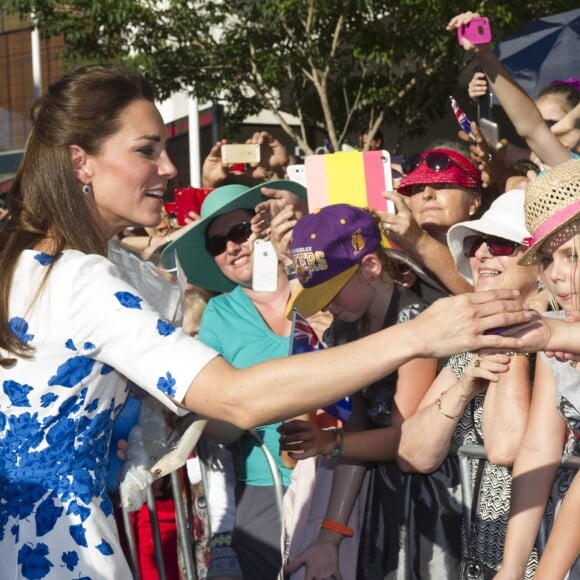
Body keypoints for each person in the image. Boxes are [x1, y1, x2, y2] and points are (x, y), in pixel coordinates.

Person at [0, 63, 531, 579]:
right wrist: (419, 333)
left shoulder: (44, 266)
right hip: (55, 545)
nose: (168, 168)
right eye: (147, 151)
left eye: (164, 148)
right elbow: (235, 397)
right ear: (80, 163)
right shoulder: (77, 279)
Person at [279, 203, 438, 580]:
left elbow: (405, 442)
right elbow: (357, 425)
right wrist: (328, 537)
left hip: (431, 495)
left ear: (371, 266)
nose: (327, 305)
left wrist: (327, 443)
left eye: (332, 290)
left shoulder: (419, 323)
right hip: (381, 492)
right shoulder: (345, 329)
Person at [162, 179, 310, 579]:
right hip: (264, 490)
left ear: (265, 224)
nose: (231, 246)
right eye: (217, 243)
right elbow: (220, 418)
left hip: (343, 471)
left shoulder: (314, 281)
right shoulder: (219, 315)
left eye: (240, 231)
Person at [398, 189, 544, 578]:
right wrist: (463, 388)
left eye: (499, 243)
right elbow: (411, 453)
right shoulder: (470, 348)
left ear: (542, 264)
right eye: (476, 244)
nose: (480, 254)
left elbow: (505, 446)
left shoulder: (559, 348)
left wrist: (512, 328)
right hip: (481, 563)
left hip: (544, 564)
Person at [492, 159, 580, 579]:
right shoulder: (554, 334)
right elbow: (539, 446)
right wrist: (510, 569)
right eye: (547, 258)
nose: (559, 275)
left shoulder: (553, 334)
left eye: (571, 254)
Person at [449, 12, 579, 174]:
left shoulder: (570, 169)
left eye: (552, 123)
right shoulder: (567, 168)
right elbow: (526, 129)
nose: (548, 132)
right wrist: (483, 53)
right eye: (540, 120)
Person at [381, 147, 482, 298]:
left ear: (474, 203)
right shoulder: (391, 260)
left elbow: (482, 293)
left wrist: (418, 241)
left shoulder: (497, 247)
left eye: (443, 185)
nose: (427, 194)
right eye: (419, 188)